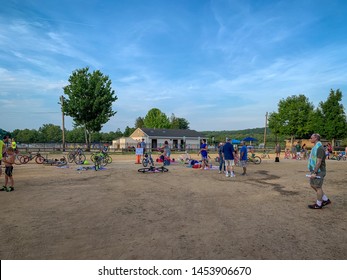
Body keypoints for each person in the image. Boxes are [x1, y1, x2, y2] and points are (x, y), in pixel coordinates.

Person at [307, 133, 331, 209]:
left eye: (311, 138)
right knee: (313, 185)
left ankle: (319, 204)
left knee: (318, 187)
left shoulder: (319, 148)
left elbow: (319, 161)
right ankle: (326, 200)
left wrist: (314, 172)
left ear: (316, 138)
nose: (310, 139)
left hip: (319, 171)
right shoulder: (315, 147)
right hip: (315, 169)